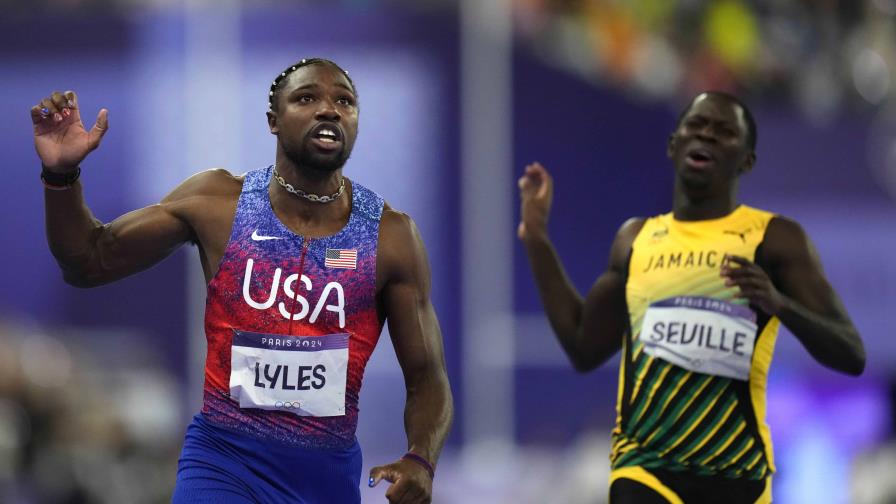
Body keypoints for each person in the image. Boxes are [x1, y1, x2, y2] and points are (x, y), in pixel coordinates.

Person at [31, 57, 452, 504]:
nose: (329, 110)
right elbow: (88, 263)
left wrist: (421, 458)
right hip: (223, 460)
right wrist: (60, 177)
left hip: (324, 478)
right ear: (273, 121)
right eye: (307, 98)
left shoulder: (390, 237)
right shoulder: (217, 204)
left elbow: (426, 376)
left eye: (344, 101)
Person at [517, 91, 865, 503]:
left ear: (747, 160)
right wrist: (537, 240)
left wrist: (780, 305)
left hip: (737, 476)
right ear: (674, 144)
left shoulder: (774, 239)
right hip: (645, 470)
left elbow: (850, 354)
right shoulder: (636, 239)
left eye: (724, 132)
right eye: (696, 127)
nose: (707, 137)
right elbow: (583, 346)